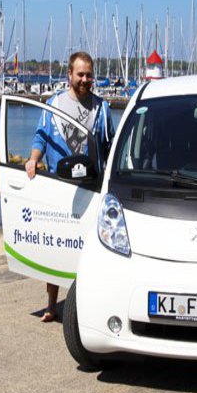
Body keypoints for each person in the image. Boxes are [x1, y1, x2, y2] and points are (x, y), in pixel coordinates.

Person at [25, 51, 115, 322]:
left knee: (90, 249)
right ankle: (52, 305)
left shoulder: (101, 109)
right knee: (57, 246)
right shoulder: (54, 105)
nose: (85, 79)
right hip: (58, 187)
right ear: (70, 75)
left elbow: (110, 146)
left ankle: (92, 304)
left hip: (90, 189)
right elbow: (41, 137)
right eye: (80, 74)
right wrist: (33, 160)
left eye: (89, 75)